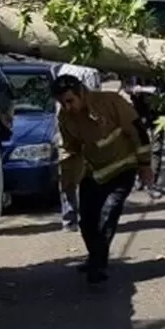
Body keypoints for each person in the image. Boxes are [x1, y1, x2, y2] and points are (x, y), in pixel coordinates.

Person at [52, 75, 155, 283]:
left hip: (123, 168)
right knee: (87, 221)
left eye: (70, 101)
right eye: (62, 103)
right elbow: (71, 148)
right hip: (93, 173)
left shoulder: (111, 102)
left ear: (81, 92)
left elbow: (138, 132)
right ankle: (95, 258)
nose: (67, 106)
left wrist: (145, 165)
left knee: (108, 213)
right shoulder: (65, 117)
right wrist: (68, 177)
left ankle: (98, 265)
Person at [55, 62, 102, 230]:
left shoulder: (68, 69)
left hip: (77, 128)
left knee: (73, 177)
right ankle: (75, 218)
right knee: (75, 175)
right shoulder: (87, 70)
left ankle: (75, 218)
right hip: (69, 129)